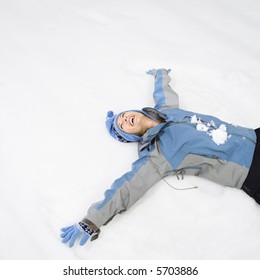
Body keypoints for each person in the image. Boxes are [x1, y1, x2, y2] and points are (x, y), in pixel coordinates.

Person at [60, 68, 260, 248]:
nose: (123, 120)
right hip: (250, 170)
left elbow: (163, 92)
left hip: (253, 136)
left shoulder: (167, 110)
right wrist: (92, 220)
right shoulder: (157, 154)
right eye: (122, 126)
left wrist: (160, 74)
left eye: (122, 116)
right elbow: (127, 187)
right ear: (131, 136)